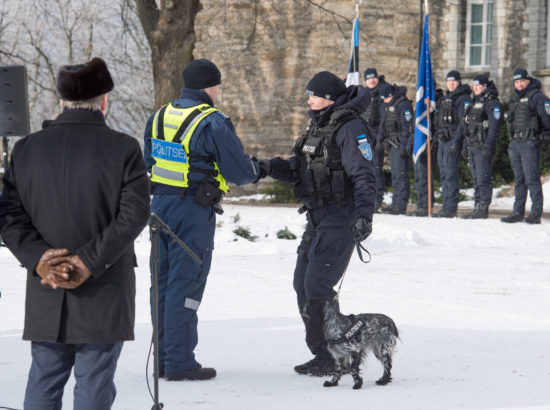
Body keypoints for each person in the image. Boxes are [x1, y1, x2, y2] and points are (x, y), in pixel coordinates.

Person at [0, 57, 150, 409]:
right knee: (95, 382)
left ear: (61, 101)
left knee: (44, 377)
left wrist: (40, 260)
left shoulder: (26, 148)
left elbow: (8, 216)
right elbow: (134, 215)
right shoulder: (124, 148)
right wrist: (86, 262)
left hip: (47, 284)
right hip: (104, 285)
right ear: (104, 101)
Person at [143, 59, 260, 381]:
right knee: (186, 284)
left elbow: (147, 161)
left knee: (162, 284)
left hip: (159, 208)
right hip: (193, 212)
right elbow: (239, 173)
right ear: (210, 86)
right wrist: (257, 169)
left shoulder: (158, 116)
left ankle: (163, 360)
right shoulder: (212, 122)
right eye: (218, 85)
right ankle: (179, 363)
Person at [256, 71, 375, 376]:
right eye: (308, 94)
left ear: (331, 98)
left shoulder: (350, 128)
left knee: (317, 284)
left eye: (314, 95)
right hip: (317, 215)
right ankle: (326, 350)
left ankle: (338, 352)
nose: (309, 100)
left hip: (341, 215)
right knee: (302, 284)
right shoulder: (319, 125)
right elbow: (301, 168)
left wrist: (364, 214)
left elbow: (364, 174)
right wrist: (269, 167)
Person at [500, 68, 550, 225]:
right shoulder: (514, 99)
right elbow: (510, 121)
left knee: (531, 178)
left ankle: (535, 214)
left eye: (521, 81)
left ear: (528, 80)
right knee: (519, 179)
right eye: (516, 82)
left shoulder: (538, 97)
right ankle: (517, 212)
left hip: (530, 143)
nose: (519, 84)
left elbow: (547, 119)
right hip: (516, 143)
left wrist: (542, 137)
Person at [462, 74, 503, 219]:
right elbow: (466, 125)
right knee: (476, 177)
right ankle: (477, 205)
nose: (475, 87)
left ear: (485, 86)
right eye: (474, 85)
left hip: (483, 145)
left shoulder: (491, 102)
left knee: (483, 176)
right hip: (472, 145)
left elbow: (494, 127)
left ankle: (483, 207)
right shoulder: (474, 102)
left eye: (478, 85)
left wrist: (488, 146)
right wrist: (464, 145)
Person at [432, 70, 471, 218]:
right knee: (443, 174)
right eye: (449, 81)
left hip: (452, 140)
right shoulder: (445, 98)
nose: (451, 84)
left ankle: (451, 208)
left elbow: (463, 123)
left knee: (450, 174)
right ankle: (445, 206)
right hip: (442, 140)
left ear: (459, 82)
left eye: (454, 81)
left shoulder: (463, 98)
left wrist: (456, 142)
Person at [377, 83, 414, 215]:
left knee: (401, 176)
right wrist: (380, 140)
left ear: (390, 95)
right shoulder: (388, 105)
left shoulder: (403, 105)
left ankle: (400, 206)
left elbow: (408, 128)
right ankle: (395, 204)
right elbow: (384, 123)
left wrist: (405, 147)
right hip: (393, 145)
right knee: (395, 176)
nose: (384, 101)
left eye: (386, 98)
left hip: (400, 146)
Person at [362, 68, 387, 212]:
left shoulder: (382, 93)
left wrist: (379, 138)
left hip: (377, 137)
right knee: (364, 170)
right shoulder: (364, 94)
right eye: (368, 78)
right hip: (364, 137)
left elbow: (384, 118)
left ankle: (377, 200)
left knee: (376, 169)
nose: (371, 80)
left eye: (373, 78)